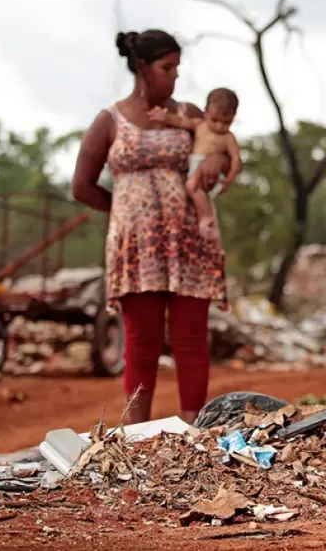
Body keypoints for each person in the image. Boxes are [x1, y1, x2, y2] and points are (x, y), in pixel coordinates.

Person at [71, 29, 228, 425]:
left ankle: (193, 429)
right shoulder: (109, 121)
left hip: (188, 241)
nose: (175, 75)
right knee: (142, 341)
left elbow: (221, 147)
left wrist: (215, 163)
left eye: (177, 67)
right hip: (136, 247)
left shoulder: (189, 114)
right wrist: (125, 213)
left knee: (190, 338)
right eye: (166, 67)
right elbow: (82, 186)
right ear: (142, 68)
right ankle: (136, 434)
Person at [149, 86, 242, 240]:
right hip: (194, 165)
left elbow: (236, 159)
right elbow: (181, 121)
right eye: (215, 120)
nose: (219, 126)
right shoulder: (200, 125)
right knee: (194, 189)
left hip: (207, 170)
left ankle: (206, 218)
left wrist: (229, 179)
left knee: (191, 186)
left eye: (226, 122)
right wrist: (164, 117)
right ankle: (205, 217)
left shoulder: (228, 138)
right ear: (206, 112)